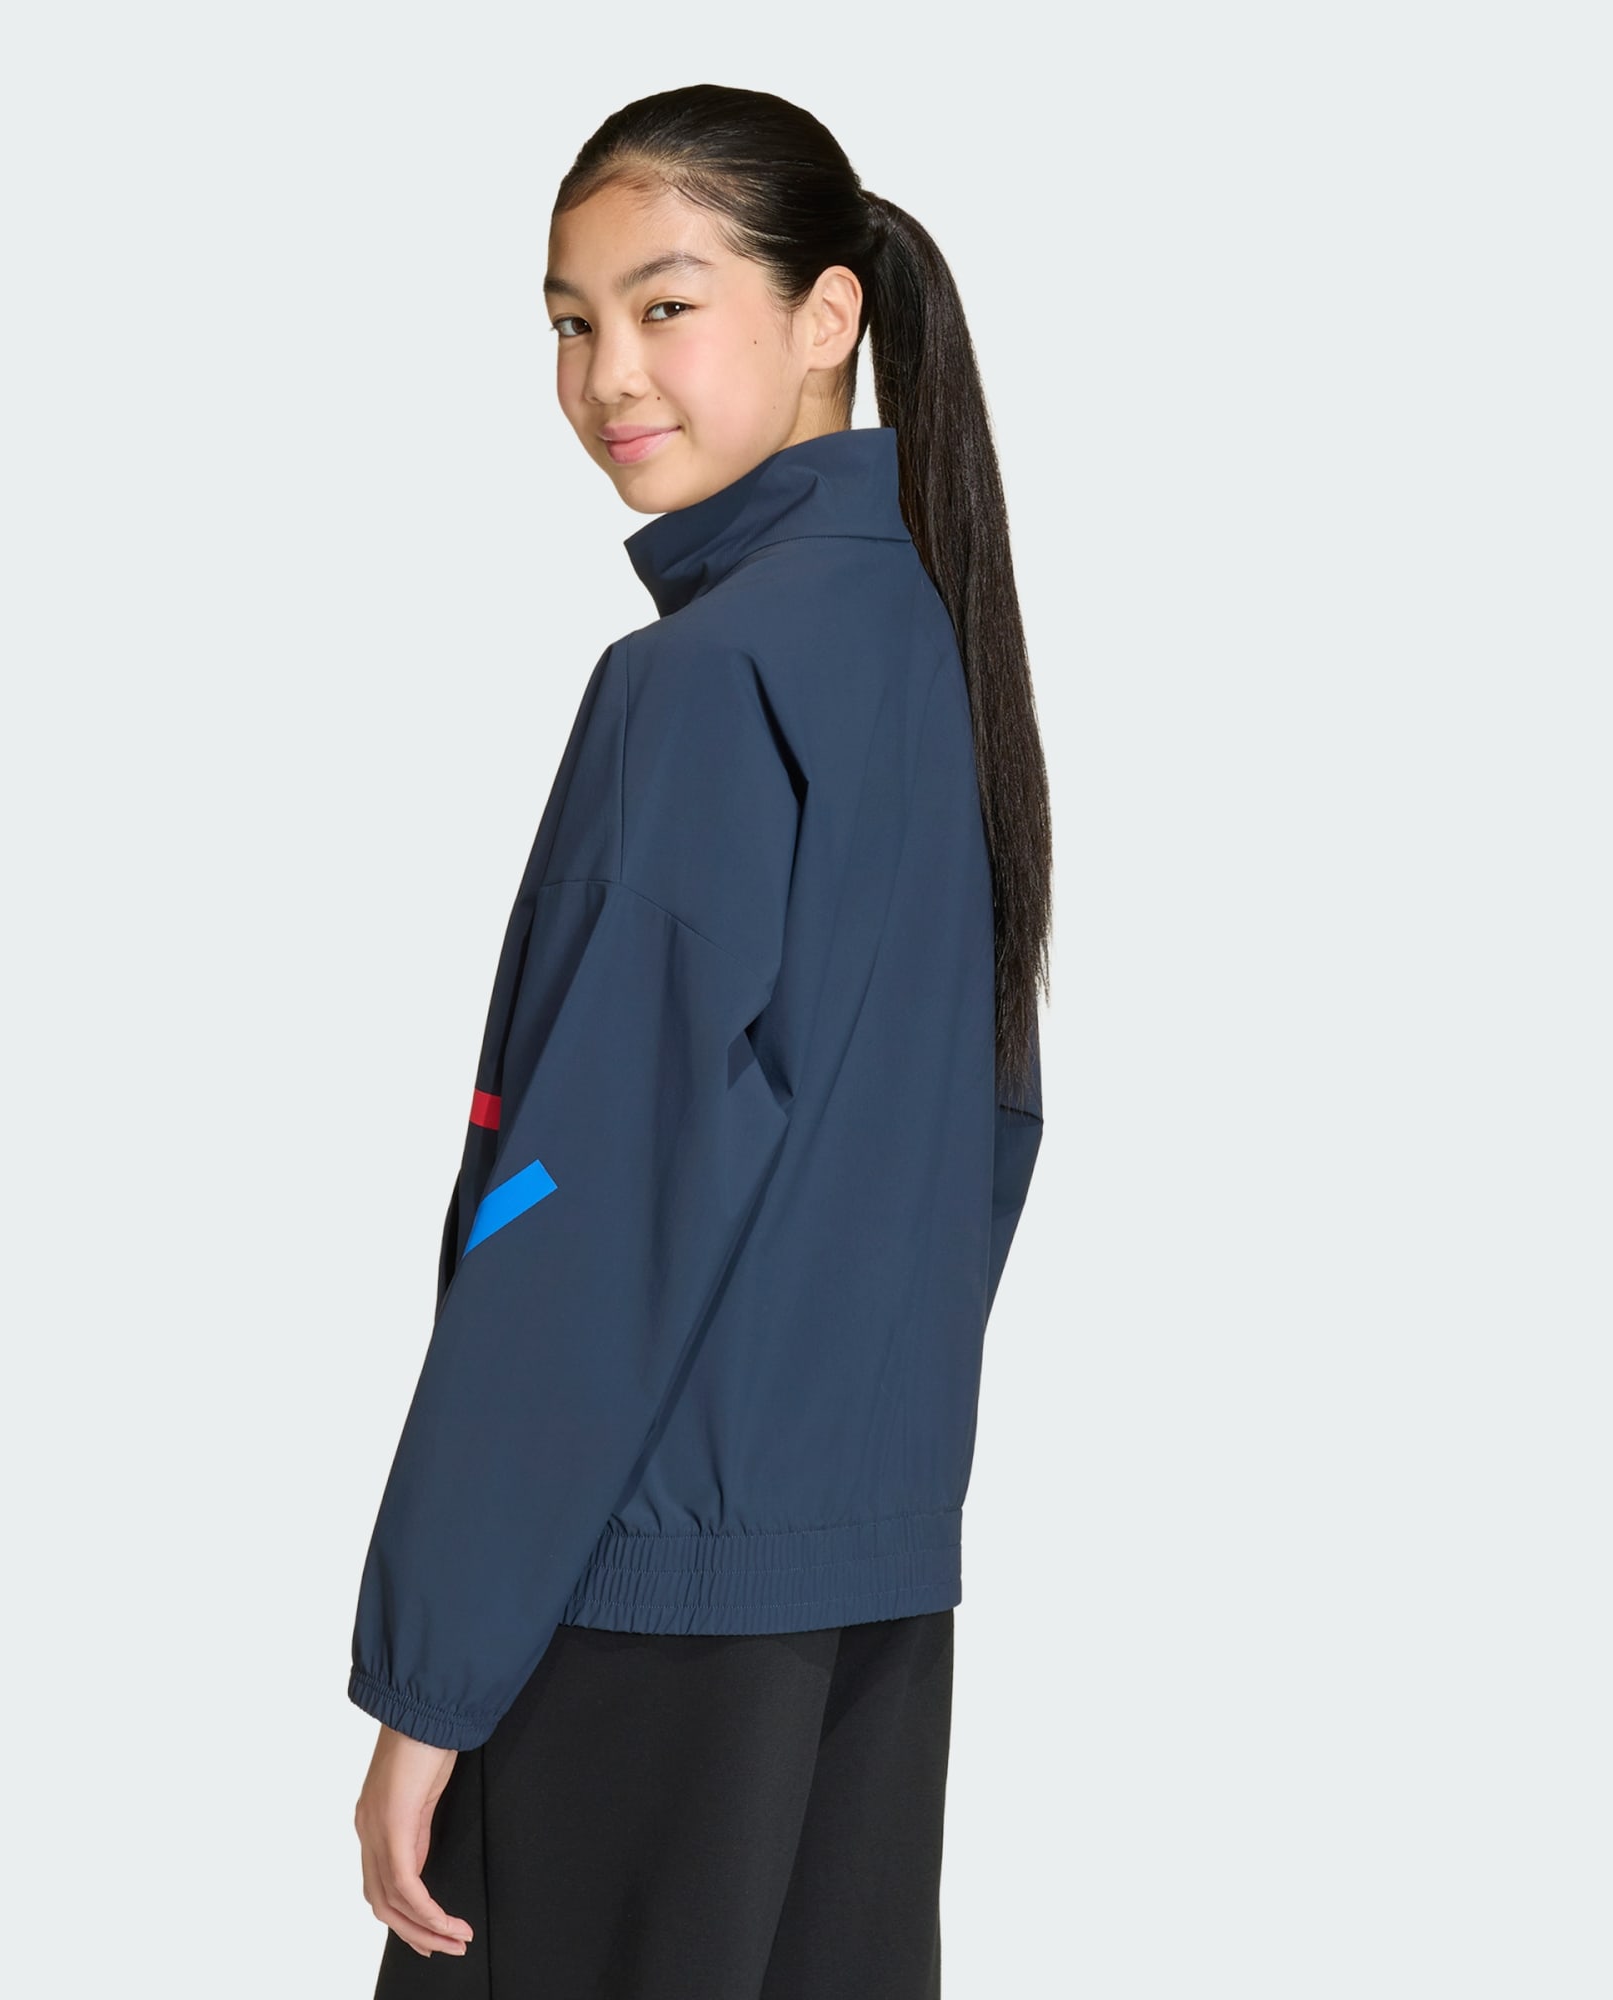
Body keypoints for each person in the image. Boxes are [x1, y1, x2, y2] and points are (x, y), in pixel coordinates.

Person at [349, 83, 1052, 1997]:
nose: (608, 375)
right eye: (571, 321)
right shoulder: (931, 650)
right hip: (864, 1594)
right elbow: (984, 1137)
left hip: (641, 1595)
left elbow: (584, 1206)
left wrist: (432, 1677)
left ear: (829, 314)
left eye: (667, 305)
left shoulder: (702, 679)